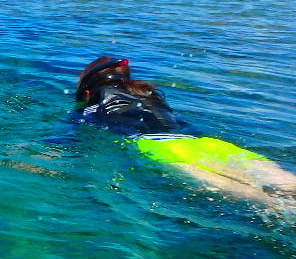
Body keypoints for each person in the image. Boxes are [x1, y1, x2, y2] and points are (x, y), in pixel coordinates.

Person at [74, 56, 296, 205]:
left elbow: (75, 140)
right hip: (205, 142)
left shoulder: (93, 106)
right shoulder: (149, 95)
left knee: (267, 203)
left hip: (160, 147)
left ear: (87, 92)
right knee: (286, 184)